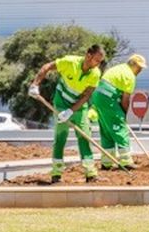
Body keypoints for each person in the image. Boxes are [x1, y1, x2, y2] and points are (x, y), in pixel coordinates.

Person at [31, 43, 106, 184]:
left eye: (100, 62)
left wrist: (71, 111)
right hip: (61, 104)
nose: (98, 64)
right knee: (60, 138)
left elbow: (87, 96)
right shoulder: (69, 62)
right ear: (88, 55)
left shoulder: (95, 73)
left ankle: (90, 173)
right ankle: (56, 173)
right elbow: (47, 67)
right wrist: (35, 84)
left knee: (85, 137)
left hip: (79, 107)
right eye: (96, 60)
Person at [93, 54, 147, 169]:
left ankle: (107, 162)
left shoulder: (118, 68)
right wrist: (123, 116)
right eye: (139, 68)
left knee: (107, 131)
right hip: (108, 100)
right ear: (133, 65)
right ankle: (126, 161)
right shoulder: (129, 76)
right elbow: (125, 100)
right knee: (120, 129)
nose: (140, 71)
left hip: (98, 99)